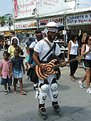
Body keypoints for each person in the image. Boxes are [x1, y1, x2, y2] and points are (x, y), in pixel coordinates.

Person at [33, 22, 62, 119]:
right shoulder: (41, 43)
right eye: (51, 33)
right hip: (43, 70)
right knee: (44, 87)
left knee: (54, 86)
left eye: (54, 33)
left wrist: (61, 62)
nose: (53, 35)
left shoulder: (55, 45)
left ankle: (55, 103)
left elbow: (58, 56)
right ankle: (41, 107)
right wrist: (40, 65)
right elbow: (34, 55)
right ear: (47, 32)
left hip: (52, 70)